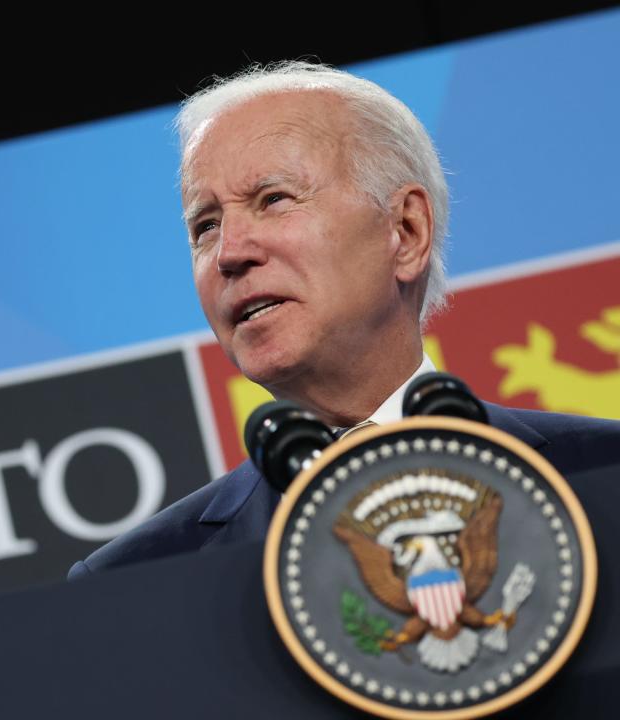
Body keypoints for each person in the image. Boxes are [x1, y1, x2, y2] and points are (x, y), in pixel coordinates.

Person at [69, 61, 620, 580]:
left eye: (274, 199)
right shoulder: (138, 578)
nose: (229, 252)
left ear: (405, 231)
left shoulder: (604, 474)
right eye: (205, 226)